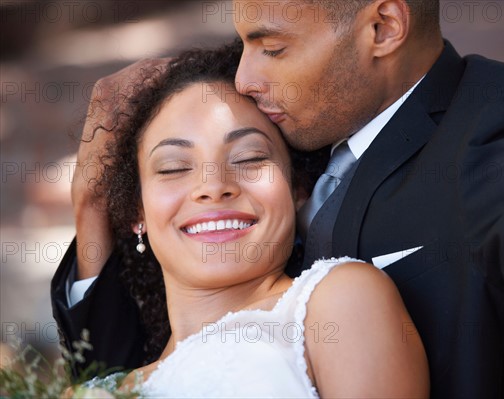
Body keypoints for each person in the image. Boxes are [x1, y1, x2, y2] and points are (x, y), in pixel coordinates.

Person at [52, 1, 504, 397]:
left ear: (383, 27)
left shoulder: (486, 134)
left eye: (272, 48)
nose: (244, 78)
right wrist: (94, 207)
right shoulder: (300, 135)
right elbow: (151, 355)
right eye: (244, 45)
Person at [67, 44, 428, 397]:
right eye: (174, 167)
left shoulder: (338, 301)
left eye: (249, 158)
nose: (213, 187)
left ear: (297, 187)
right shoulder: (93, 392)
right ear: (137, 212)